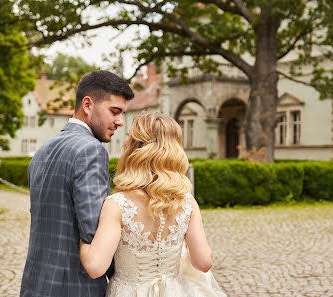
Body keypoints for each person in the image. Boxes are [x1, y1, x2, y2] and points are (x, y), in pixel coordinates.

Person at [79, 111, 226, 297]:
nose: (124, 142)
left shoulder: (117, 205)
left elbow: (95, 267)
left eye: (128, 137)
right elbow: (204, 262)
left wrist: (82, 239)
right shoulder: (187, 202)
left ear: (136, 148)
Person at [20, 70, 134, 297]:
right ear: (88, 105)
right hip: (75, 287)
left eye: (122, 113)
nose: (120, 122)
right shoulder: (90, 150)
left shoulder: (43, 149)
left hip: (36, 284)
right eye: (115, 111)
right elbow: (93, 233)